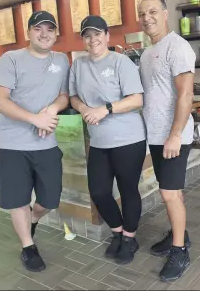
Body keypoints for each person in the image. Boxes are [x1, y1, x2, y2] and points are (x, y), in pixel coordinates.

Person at [0, 11, 70, 272]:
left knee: (49, 198)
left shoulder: (62, 60)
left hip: (46, 146)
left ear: (56, 34)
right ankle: (28, 246)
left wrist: (52, 110)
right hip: (12, 145)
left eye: (50, 29)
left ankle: (32, 220)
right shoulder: (10, 59)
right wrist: (35, 119)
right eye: (38, 28)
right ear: (28, 32)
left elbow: (64, 95)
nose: (44, 33)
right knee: (17, 200)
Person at [69, 15, 147, 264]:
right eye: (87, 35)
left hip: (128, 138)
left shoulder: (120, 62)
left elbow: (137, 99)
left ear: (107, 36)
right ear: (83, 39)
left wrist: (105, 109)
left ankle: (129, 238)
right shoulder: (78, 65)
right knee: (99, 192)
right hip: (99, 141)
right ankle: (117, 231)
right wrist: (83, 109)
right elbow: (73, 97)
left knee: (127, 190)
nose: (93, 39)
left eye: (97, 34)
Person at [137, 0, 196, 281]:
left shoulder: (177, 47)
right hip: (156, 135)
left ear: (164, 14)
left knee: (169, 193)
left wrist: (175, 135)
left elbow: (186, 94)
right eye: (142, 13)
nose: (147, 17)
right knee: (171, 191)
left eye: (152, 12)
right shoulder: (147, 52)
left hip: (174, 135)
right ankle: (178, 233)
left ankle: (180, 251)